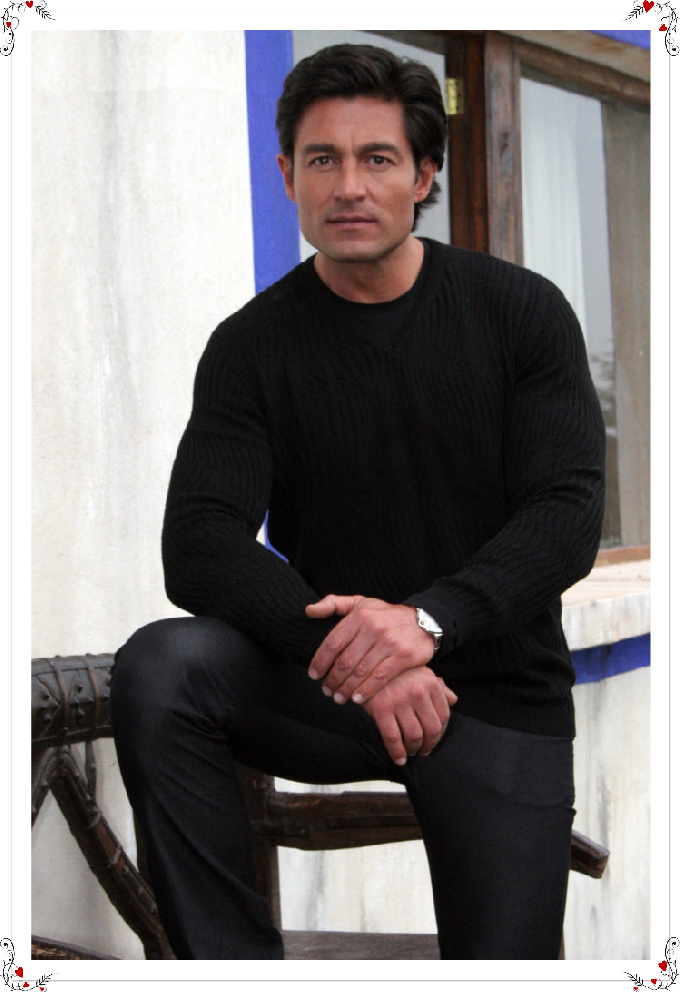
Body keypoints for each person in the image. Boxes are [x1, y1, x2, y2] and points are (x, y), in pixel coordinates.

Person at [110, 42, 606, 960]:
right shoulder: (250, 347)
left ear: (423, 175)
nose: (348, 187)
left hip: (495, 694)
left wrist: (426, 623)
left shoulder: (521, 313)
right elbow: (202, 542)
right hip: (331, 689)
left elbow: (565, 513)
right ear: (286, 177)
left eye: (377, 158)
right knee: (165, 668)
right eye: (321, 160)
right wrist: (369, 659)